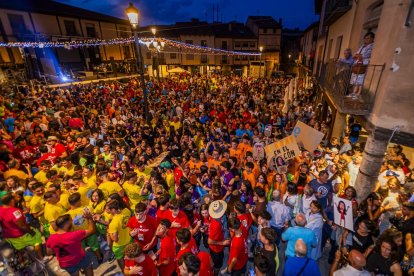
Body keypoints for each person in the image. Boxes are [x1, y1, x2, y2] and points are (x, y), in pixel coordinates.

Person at [0, 193, 49, 261]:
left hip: (10, 237)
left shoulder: (1, 209)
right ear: (11, 201)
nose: (17, 198)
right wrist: (31, 232)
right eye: (15, 197)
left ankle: (29, 261)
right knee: (37, 240)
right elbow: (22, 225)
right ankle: (41, 258)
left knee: (22, 249)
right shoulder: (15, 211)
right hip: (22, 234)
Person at [207, 200, 230, 275]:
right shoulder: (216, 225)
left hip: (217, 245)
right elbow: (209, 241)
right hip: (216, 249)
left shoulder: (212, 216)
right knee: (217, 265)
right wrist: (222, 243)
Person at [349, 32, 375, 98]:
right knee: (355, 78)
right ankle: (354, 92)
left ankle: (358, 93)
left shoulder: (371, 46)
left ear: (372, 39)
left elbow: (365, 55)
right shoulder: (363, 46)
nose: (366, 40)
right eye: (365, 38)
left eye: (368, 38)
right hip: (357, 63)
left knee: (360, 78)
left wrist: (358, 56)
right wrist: (357, 56)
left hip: (363, 64)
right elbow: (356, 54)